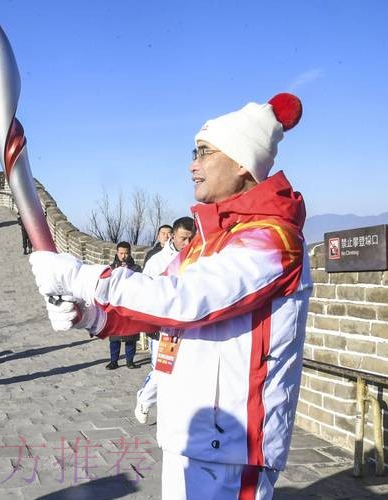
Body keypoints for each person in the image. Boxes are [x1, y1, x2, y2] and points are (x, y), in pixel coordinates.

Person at [29, 93, 308, 499]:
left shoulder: (273, 240)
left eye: (205, 152)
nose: (192, 164)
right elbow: (156, 307)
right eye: (193, 152)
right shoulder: (202, 244)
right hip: (187, 435)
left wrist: (81, 276)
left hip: (233, 445)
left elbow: (185, 299)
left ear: (243, 163)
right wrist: (91, 316)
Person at [134, 216, 194, 423]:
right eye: (183, 238)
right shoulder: (157, 261)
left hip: (188, 324)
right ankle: (145, 399)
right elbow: (143, 292)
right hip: (163, 327)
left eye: (191, 239)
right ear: (173, 235)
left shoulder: (199, 257)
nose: (187, 244)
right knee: (163, 370)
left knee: (184, 371)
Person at [106, 241, 141, 370]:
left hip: (130, 304)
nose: (124, 256)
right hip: (115, 305)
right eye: (121, 253)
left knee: (131, 336)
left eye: (126, 253)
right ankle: (113, 361)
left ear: (130, 253)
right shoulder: (111, 268)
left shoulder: (136, 268)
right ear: (117, 253)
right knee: (114, 337)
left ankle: (130, 361)